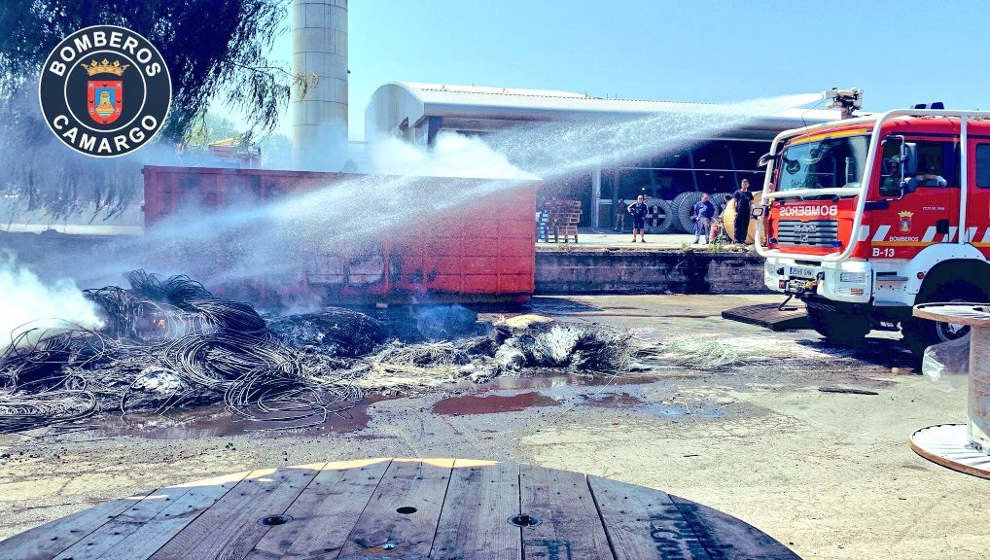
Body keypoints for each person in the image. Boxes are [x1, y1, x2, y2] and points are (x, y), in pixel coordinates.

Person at [732, 178, 755, 244]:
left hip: (746, 212)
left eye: (746, 184)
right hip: (739, 212)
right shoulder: (737, 192)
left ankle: (743, 240)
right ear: (741, 184)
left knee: (745, 226)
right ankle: (736, 240)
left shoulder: (749, 194)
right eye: (743, 184)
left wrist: (752, 213)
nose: (744, 185)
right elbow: (734, 202)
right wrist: (734, 211)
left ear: (748, 185)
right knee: (737, 225)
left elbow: (752, 203)